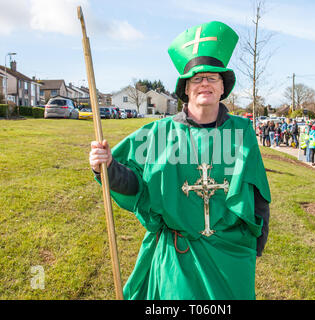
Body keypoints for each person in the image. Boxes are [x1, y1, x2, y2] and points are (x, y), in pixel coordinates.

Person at [89, 21, 271, 300]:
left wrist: (254, 246)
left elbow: (258, 191)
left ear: (223, 88)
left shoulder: (242, 132)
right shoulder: (159, 134)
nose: (205, 84)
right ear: (186, 89)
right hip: (178, 256)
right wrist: (107, 166)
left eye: (213, 77)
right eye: (197, 79)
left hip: (230, 257)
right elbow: (136, 184)